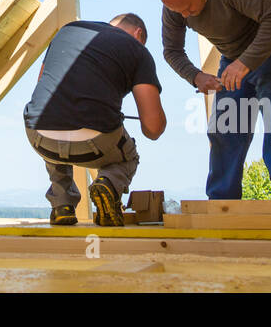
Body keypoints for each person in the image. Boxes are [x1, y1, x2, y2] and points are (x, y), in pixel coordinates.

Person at [157, 0, 271, 200]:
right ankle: (223, 198)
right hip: (232, 56)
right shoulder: (176, 9)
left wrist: (245, 63)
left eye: (189, 8)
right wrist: (196, 76)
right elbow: (172, 51)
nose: (185, 16)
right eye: (178, 11)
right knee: (227, 124)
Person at [23, 14, 165, 226]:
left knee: (54, 116)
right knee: (129, 156)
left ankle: (62, 206)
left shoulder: (68, 30)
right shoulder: (138, 51)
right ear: (139, 34)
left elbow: (44, 83)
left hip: (39, 136)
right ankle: (108, 184)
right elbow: (153, 128)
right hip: (94, 143)